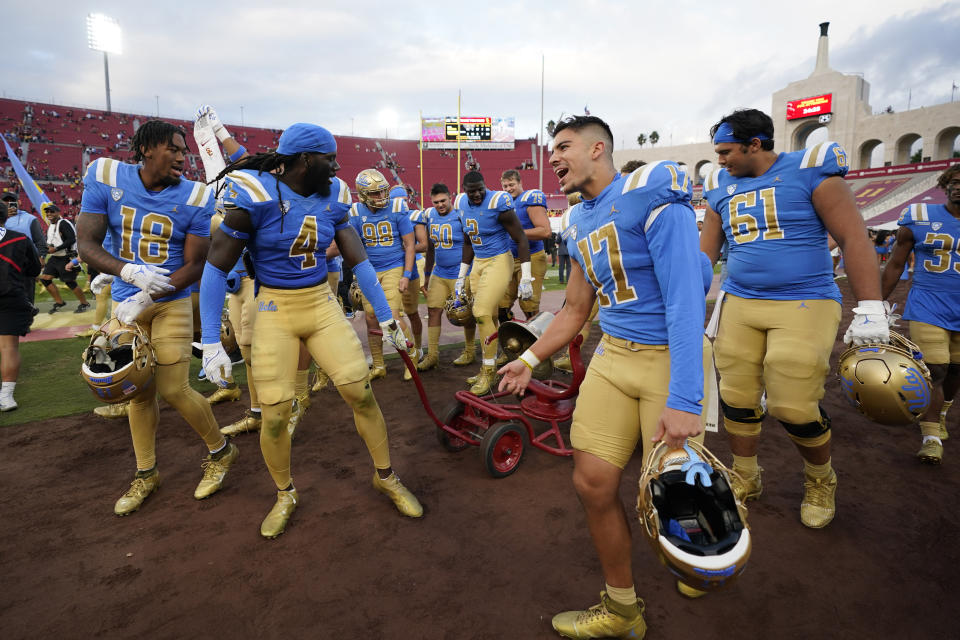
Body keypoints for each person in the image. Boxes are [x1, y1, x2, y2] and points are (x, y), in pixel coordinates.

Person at [498, 115, 705, 638]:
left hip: (666, 359)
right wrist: (527, 360)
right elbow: (573, 308)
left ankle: (698, 556)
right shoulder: (580, 218)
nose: (555, 158)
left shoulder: (651, 192)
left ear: (598, 149)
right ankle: (622, 609)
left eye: (563, 147)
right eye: (552, 151)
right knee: (592, 484)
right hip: (612, 356)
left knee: (675, 494)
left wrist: (684, 396)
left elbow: (684, 302)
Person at [199, 123, 422, 539]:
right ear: (304, 160)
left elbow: (360, 261)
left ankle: (385, 476)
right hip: (274, 307)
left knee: (360, 391)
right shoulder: (255, 193)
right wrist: (211, 340)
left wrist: (387, 317)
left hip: (320, 302)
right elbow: (215, 268)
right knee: (276, 414)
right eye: (329, 158)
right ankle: (284, 493)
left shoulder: (334, 195)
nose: (337, 167)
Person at [699, 108, 888, 530]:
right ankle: (746, 475)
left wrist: (871, 306)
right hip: (741, 301)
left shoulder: (809, 170)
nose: (721, 160)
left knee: (792, 402)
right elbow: (704, 256)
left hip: (805, 300)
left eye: (727, 151)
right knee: (737, 395)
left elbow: (853, 236)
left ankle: (821, 478)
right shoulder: (718, 186)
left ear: (756, 144)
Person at [76, 119, 237, 516]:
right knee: (135, 390)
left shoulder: (197, 196)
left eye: (185, 150)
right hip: (125, 300)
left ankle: (221, 451)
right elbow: (86, 243)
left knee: (173, 388)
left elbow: (195, 263)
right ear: (147, 149)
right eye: (175, 149)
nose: (184, 157)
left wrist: (148, 292)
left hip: (169, 301)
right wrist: (126, 272)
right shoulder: (106, 175)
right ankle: (146, 473)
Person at [880, 164, 960, 464]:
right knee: (935, 368)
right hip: (929, 303)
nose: (958, 187)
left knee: (955, 370)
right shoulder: (920, 216)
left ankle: (941, 411)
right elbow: (896, 264)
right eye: (954, 181)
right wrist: (875, 304)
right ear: (944, 184)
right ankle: (931, 435)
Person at [454, 171, 531, 395]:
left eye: (481, 189)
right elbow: (468, 242)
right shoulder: (461, 203)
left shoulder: (498, 201)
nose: (477, 194)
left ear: (485, 185)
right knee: (490, 316)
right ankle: (494, 361)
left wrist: (525, 276)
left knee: (480, 312)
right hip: (478, 262)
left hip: (499, 260)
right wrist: (461, 275)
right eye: (472, 191)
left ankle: (487, 371)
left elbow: (521, 238)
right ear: (464, 190)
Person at [349, 169, 418, 381]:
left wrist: (406, 274)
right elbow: (353, 246)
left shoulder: (397, 207)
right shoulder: (355, 213)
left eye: (383, 192)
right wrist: (356, 276)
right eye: (375, 193)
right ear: (362, 194)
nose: (381, 197)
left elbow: (409, 244)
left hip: (393, 266)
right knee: (370, 317)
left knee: (393, 317)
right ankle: (379, 364)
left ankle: (412, 357)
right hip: (369, 269)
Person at [418, 183, 476, 370]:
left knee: (465, 313)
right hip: (440, 271)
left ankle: (469, 350)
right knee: (433, 310)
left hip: (461, 272)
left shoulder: (461, 214)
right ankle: (432, 355)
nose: (440, 205)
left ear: (450, 197)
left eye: (443, 200)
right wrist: (427, 274)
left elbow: (472, 243)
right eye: (436, 202)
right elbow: (431, 248)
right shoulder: (430, 215)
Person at [0, 200, 43, 411]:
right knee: (8, 347)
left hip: (10, 297)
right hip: (10, 296)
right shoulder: (20, 238)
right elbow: (34, 269)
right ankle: (6, 396)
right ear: (6, 216)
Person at [498, 169, 552, 321]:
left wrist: (516, 233)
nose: (508, 189)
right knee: (501, 305)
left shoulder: (529, 198)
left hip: (532, 257)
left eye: (512, 184)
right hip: (509, 259)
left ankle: (536, 341)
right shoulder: (506, 202)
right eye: (505, 186)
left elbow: (545, 231)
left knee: (529, 305)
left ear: (520, 183)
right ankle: (513, 337)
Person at [393, 185, 426, 356]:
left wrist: (405, 248)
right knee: (388, 316)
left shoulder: (414, 216)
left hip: (410, 272)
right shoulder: (386, 216)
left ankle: (418, 348)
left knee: (412, 313)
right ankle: (399, 352)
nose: (402, 204)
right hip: (388, 271)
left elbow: (424, 244)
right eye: (398, 201)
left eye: (404, 200)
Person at [40, 203, 89, 313]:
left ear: (58, 212)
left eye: (52, 211)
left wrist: (56, 248)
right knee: (45, 279)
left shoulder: (64, 223)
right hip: (55, 257)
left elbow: (71, 239)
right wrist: (45, 253)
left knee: (69, 282)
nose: (49, 213)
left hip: (66, 257)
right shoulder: (51, 225)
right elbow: (51, 242)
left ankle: (84, 303)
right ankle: (59, 302)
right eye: (47, 212)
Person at [2, 192, 44, 308]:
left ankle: (27, 323)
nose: (8, 204)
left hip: (25, 264)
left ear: (19, 202)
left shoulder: (30, 219)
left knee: (27, 296)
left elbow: (40, 241)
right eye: (5, 201)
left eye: (11, 201)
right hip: (4, 264)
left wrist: (41, 257)